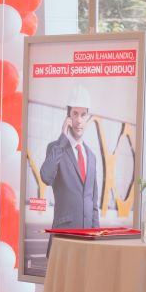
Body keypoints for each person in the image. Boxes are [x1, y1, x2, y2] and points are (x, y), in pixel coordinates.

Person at [39, 88, 101, 229]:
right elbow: (46, 177)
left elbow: (93, 203)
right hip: (64, 233)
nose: (79, 120)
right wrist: (63, 138)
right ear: (68, 117)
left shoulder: (91, 157)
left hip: (87, 235)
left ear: (87, 118)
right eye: (75, 114)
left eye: (83, 115)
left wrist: (96, 234)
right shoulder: (56, 148)